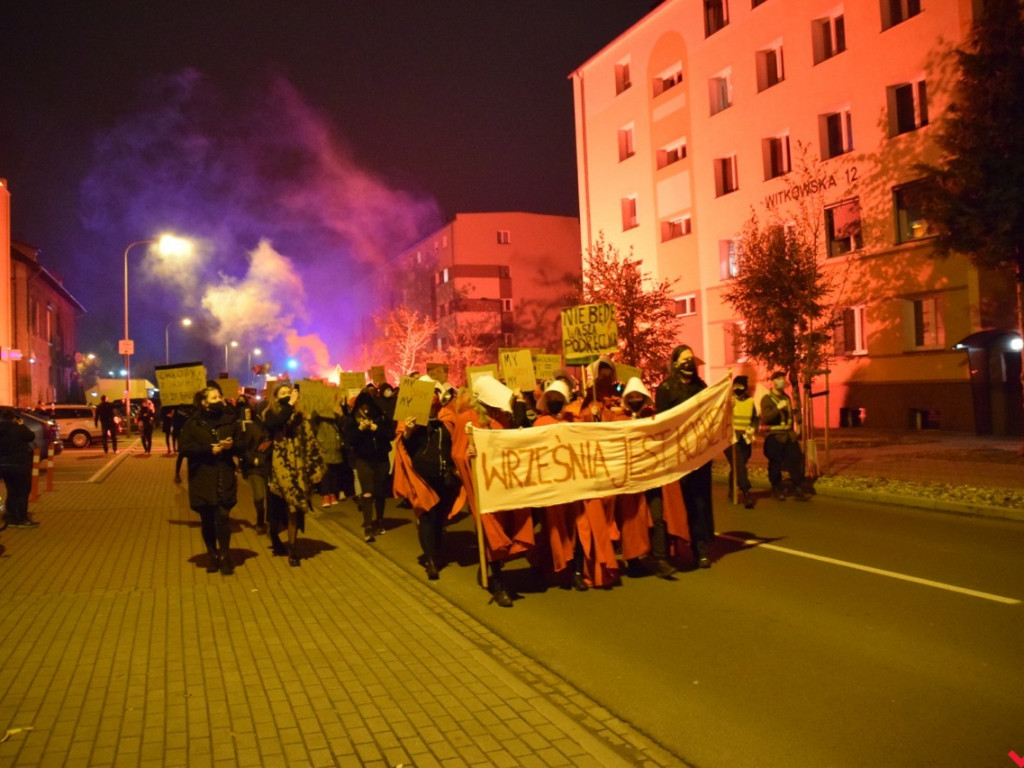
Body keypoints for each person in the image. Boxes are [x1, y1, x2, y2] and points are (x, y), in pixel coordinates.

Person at [454, 376, 535, 607]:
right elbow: (457, 455)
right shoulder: (466, 419)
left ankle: (491, 566)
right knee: (492, 530)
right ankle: (499, 584)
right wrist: (467, 453)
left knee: (506, 526)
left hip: (501, 483)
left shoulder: (501, 417)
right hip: (482, 486)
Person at [394, 378, 464, 580]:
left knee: (439, 518)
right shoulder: (410, 419)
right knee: (426, 516)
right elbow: (403, 445)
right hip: (421, 478)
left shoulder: (448, 417)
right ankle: (431, 561)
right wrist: (409, 430)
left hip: (444, 477)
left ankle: (437, 551)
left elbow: (456, 440)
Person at [653, 344, 715, 569]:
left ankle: (701, 549)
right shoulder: (666, 389)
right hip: (677, 456)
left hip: (699, 455)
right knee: (677, 504)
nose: (689, 363)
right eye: (684, 359)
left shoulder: (701, 387)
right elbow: (662, 422)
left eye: (692, 358)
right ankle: (673, 549)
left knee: (699, 503)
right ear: (675, 363)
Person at [178, 386, 242, 574]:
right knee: (207, 519)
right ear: (204, 402)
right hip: (203, 476)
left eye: (220, 396)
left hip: (223, 474)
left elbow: (242, 444)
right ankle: (212, 554)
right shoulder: (193, 423)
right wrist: (207, 450)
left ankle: (224, 555)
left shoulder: (229, 420)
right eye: (214, 397)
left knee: (222, 516)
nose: (219, 399)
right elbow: (184, 448)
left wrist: (231, 446)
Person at [263, 383, 325, 566]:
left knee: (294, 507)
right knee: (276, 511)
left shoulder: (300, 414)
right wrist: (290, 404)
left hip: (297, 465)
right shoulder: (271, 413)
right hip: (278, 466)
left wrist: (314, 466)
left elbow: (309, 438)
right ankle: (274, 535)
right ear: (275, 398)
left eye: (289, 392)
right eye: (282, 393)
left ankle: (293, 548)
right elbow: (276, 423)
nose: (287, 395)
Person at [345, 388, 393, 542]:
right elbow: (349, 440)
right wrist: (360, 429)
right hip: (363, 459)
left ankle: (379, 520)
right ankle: (368, 525)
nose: (365, 410)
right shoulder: (352, 420)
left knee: (379, 492)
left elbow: (390, 434)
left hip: (381, 459)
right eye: (362, 408)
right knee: (367, 492)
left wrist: (376, 428)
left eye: (368, 407)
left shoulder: (381, 417)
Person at [761, 371, 810, 501]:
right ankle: (776, 487)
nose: (782, 381)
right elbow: (766, 418)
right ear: (773, 382)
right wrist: (777, 408)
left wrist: (797, 426)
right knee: (775, 463)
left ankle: (797, 486)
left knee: (795, 459)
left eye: (783, 378)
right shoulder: (767, 399)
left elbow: (790, 416)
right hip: (774, 436)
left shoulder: (786, 398)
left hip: (789, 435)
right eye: (779, 379)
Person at [237, 398, 272, 535]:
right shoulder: (251, 427)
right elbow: (244, 448)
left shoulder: (274, 427)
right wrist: (253, 460)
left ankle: (271, 521)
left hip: (270, 466)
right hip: (256, 468)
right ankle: (260, 519)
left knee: (272, 497)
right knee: (259, 496)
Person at [0, 409, 39, 528]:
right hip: (19, 464)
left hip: (3, 465)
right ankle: (21, 518)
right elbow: (31, 436)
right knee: (22, 492)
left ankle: (11, 517)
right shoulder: (17, 428)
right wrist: (20, 424)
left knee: (11, 491)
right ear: (13, 418)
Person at [726, 375, 758, 508]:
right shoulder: (729, 401)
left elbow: (755, 418)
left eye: (740, 386)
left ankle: (732, 490)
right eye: (736, 386)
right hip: (731, 439)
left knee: (739, 466)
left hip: (745, 438)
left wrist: (752, 429)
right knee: (739, 465)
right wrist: (728, 407)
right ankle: (746, 493)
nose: (738, 389)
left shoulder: (750, 401)